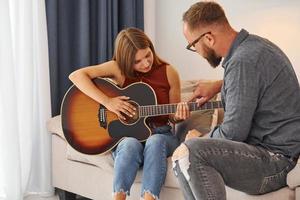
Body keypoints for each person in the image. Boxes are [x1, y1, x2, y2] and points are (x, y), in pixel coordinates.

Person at [172, 1, 300, 200]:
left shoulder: (243, 61)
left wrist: (199, 138)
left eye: (193, 45)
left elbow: (233, 134)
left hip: (276, 162)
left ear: (208, 38)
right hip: (277, 155)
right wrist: (219, 85)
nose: (195, 51)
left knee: (190, 151)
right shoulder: (253, 48)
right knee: (182, 156)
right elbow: (251, 82)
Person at [69, 27, 189, 200]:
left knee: (155, 141)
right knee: (129, 145)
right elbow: (77, 76)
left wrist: (178, 115)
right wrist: (107, 102)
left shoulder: (169, 72)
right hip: (128, 136)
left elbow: (173, 115)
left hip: (161, 134)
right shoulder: (117, 69)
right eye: (137, 61)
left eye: (148, 55)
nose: (146, 63)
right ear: (126, 61)